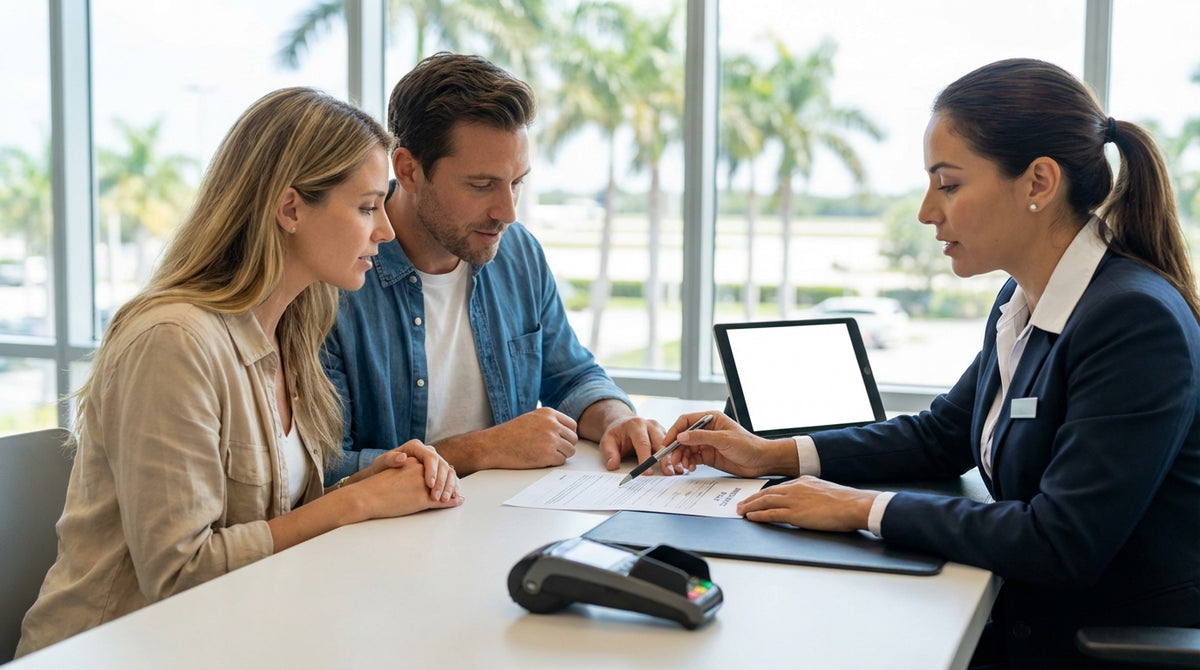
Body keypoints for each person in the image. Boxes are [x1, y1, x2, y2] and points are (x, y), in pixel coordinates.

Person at [661, 58, 1200, 669]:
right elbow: (944, 434)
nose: (926, 211)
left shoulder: (1132, 321)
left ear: (1038, 183)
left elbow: (1061, 541)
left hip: (1085, 647)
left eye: (948, 184)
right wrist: (771, 454)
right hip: (1022, 620)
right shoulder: (1025, 298)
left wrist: (860, 508)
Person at [16, 87, 463, 657]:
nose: (386, 231)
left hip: (231, 639)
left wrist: (368, 483)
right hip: (115, 652)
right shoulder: (173, 343)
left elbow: (273, 518)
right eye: (366, 207)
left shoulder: (293, 328)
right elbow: (179, 575)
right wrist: (352, 505)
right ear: (291, 208)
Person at [322, 52, 663, 483]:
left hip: (505, 522)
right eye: (482, 185)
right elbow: (325, 467)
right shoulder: (337, 275)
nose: (507, 211)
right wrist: (483, 448)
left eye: (516, 182)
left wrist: (616, 419)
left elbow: (572, 376)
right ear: (409, 170)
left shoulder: (517, 252)